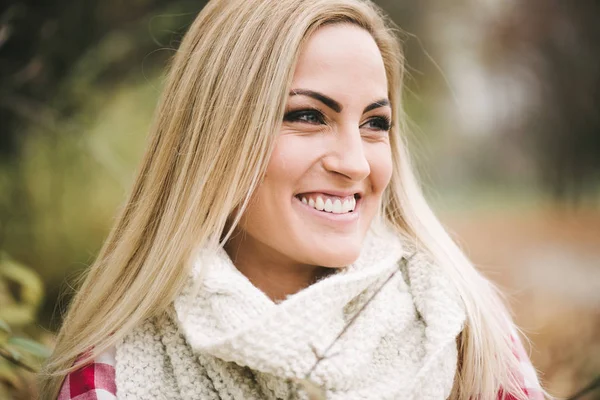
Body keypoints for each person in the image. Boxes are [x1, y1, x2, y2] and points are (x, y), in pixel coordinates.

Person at [39, 0, 546, 398]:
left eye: (375, 124)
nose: (355, 163)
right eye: (308, 116)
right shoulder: (115, 369)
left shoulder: (459, 328)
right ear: (214, 135)